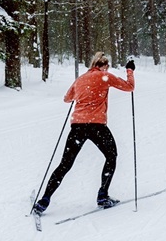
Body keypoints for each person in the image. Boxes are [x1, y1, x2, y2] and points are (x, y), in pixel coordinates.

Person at [33, 52, 135, 213]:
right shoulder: (105, 76)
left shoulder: (80, 79)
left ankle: (44, 200)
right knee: (111, 156)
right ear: (104, 66)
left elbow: (67, 98)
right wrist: (130, 71)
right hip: (97, 126)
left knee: (65, 164)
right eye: (106, 67)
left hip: (78, 126)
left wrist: (81, 93)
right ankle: (102, 196)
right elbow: (130, 87)